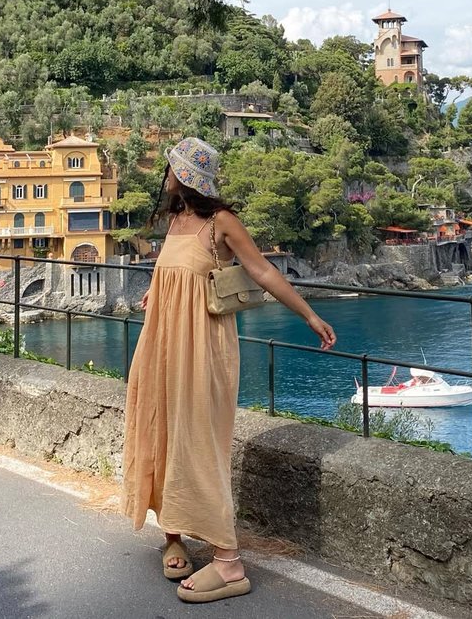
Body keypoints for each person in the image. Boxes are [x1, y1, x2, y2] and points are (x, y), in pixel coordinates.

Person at [121, 137, 336, 604]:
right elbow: (174, 274)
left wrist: (310, 315)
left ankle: (229, 562)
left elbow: (263, 272)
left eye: (171, 168)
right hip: (161, 341)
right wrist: (156, 293)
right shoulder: (177, 219)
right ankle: (173, 533)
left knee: (198, 439)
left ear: (184, 174)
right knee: (159, 429)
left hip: (203, 346)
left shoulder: (222, 222)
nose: (166, 175)